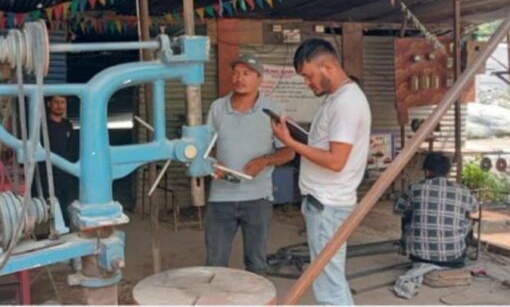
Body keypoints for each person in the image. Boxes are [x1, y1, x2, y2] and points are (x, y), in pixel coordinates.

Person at [271, 38, 371, 305]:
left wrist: (290, 143)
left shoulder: (346, 103)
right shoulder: (336, 99)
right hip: (326, 202)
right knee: (330, 278)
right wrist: (298, 136)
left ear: (328, 67)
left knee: (329, 284)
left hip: (328, 203)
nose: (307, 83)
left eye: (308, 76)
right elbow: (327, 149)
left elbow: (336, 161)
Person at [205, 54, 295, 275]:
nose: (239, 78)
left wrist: (265, 160)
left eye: (246, 73)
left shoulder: (273, 110)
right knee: (215, 263)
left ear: (259, 78)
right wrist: (212, 163)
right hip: (221, 198)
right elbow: (206, 147)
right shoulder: (218, 108)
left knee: (256, 263)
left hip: (258, 198)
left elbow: (289, 151)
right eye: (236, 73)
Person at [395, 152, 478, 268]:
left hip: (419, 257)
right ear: (447, 172)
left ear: (427, 171)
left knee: (407, 214)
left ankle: (406, 248)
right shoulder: (463, 190)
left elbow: (398, 209)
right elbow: (475, 209)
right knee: (468, 219)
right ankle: (455, 248)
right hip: (453, 258)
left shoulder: (415, 188)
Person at [37, 95, 79, 221]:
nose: (59, 106)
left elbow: (73, 148)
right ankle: (53, 227)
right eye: (56, 102)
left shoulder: (67, 125)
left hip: (65, 173)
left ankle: (65, 227)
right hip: (47, 173)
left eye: (62, 102)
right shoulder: (42, 126)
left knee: (64, 202)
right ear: (49, 104)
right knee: (49, 205)